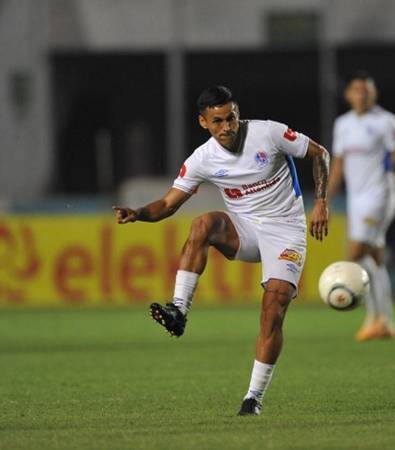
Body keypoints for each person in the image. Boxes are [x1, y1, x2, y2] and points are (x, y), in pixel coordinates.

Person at [113, 85, 330, 416]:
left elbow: (320, 153)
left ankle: (253, 398)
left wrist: (322, 202)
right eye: (217, 121)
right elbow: (169, 204)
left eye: (231, 118)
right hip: (245, 230)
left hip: (286, 231)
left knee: (273, 308)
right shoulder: (203, 159)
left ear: (238, 113)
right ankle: (178, 310)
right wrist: (138, 213)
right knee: (203, 224)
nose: (227, 127)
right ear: (203, 122)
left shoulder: (268, 133)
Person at [327, 71, 395, 341]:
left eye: (367, 90)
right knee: (375, 259)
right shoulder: (342, 124)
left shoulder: (386, 121)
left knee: (355, 254)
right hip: (356, 201)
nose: (362, 95)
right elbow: (338, 165)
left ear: (373, 93)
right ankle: (383, 320)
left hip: (380, 196)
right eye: (357, 90)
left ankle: (371, 314)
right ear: (348, 95)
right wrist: (325, 201)